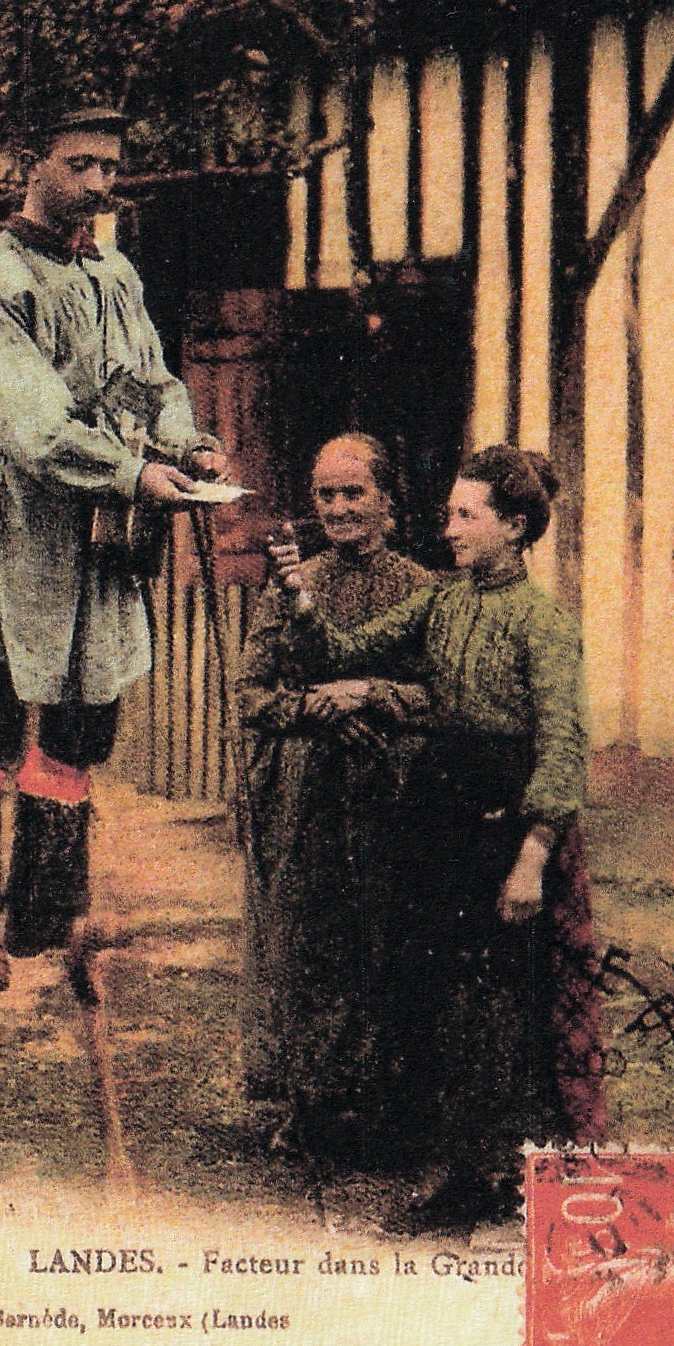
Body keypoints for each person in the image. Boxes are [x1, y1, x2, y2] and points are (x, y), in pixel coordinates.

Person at [0, 106, 227, 1018]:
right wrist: (135, 471)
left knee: (85, 706)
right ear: (30, 161)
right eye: (81, 164)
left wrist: (187, 442)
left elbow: (152, 381)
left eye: (110, 167)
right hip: (17, 508)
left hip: (101, 516)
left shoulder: (112, 272)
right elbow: (32, 425)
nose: (100, 183)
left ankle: (45, 905)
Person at [267, 444, 605, 1225]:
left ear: (514, 526)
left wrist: (531, 859)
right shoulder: (444, 600)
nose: (448, 528)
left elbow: (563, 746)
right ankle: (432, 1145)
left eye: (465, 515)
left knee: (495, 1000)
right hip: (440, 808)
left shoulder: (545, 623)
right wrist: (299, 594)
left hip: (502, 820)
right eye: (450, 512)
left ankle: (487, 1172)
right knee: (430, 982)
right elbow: (343, 650)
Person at [236, 434, 432, 1164]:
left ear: (387, 499)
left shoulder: (421, 588)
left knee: (385, 937)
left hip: (390, 786)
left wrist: (372, 698)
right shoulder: (292, 584)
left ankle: (384, 1104)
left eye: (355, 492)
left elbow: (438, 692)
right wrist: (313, 709)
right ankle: (309, 1102)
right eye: (326, 494)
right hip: (305, 791)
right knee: (306, 939)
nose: (340, 507)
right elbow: (250, 693)